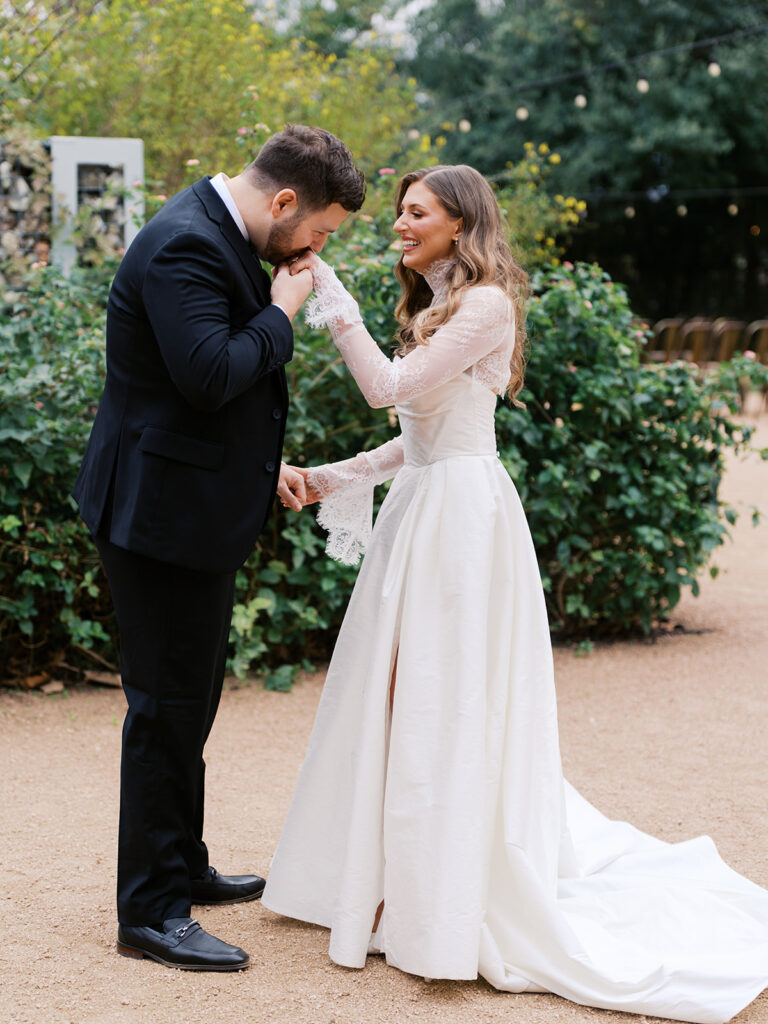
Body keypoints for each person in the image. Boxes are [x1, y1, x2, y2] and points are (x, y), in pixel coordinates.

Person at [261, 164, 768, 1022]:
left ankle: (443, 896)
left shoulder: (487, 306)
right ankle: (389, 882)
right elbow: (413, 438)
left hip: (461, 525)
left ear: (462, 223)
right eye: (398, 212)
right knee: (395, 698)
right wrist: (331, 476)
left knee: (438, 701)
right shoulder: (438, 307)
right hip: (424, 510)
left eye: (415, 213)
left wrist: (328, 298)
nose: (398, 224)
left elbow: (387, 389)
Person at [72, 125, 365, 972]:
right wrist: (281, 310)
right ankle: (151, 912)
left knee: (191, 703)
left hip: (191, 507)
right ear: (284, 202)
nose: (316, 250)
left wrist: (260, 466)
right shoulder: (184, 247)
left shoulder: (222, 231)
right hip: (157, 519)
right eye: (319, 230)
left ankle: (183, 868)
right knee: (163, 712)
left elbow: (199, 392)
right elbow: (209, 372)